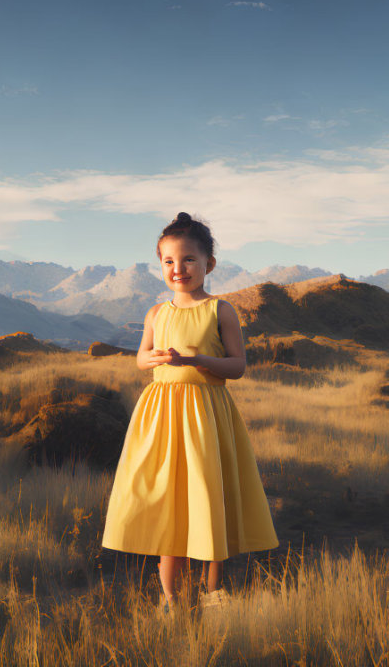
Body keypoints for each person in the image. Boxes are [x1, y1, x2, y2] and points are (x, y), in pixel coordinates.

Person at [101, 212, 278, 609]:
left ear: (208, 264)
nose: (178, 269)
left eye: (188, 260)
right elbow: (141, 359)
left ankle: (214, 596)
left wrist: (197, 362)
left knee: (207, 499)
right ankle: (171, 600)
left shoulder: (220, 311)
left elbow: (237, 366)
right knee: (169, 504)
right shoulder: (155, 313)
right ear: (160, 265)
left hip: (204, 418)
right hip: (160, 419)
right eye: (168, 261)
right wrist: (154, 360)